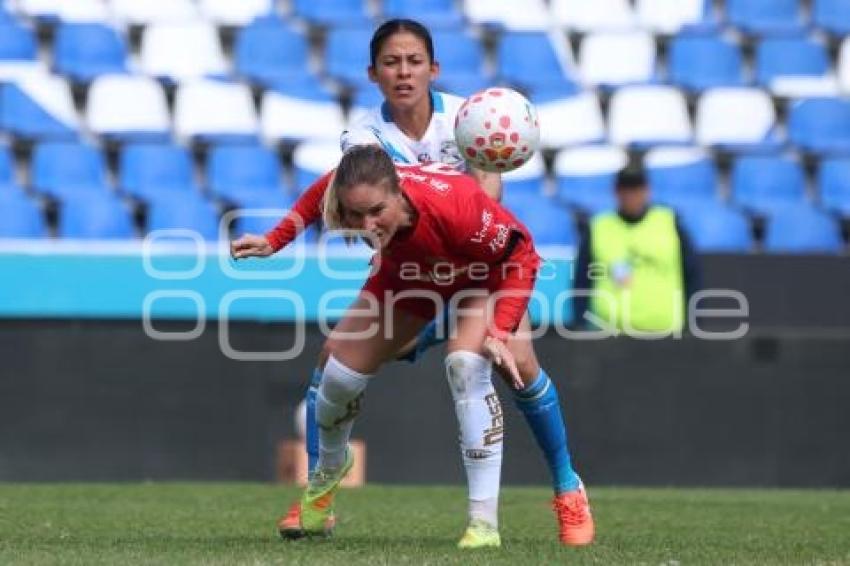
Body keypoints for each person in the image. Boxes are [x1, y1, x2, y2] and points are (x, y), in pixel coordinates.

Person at [233, 19, 594, 547]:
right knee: (334, 361)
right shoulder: (365, 138)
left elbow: (492, 212)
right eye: (391, 62)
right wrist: (276, 237)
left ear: (433, 68)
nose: (403, 72)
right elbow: (335, 189)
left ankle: (562, 491)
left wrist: (499, 311)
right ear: (374, 73)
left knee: (501, 366)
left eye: (414, 61)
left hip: (478, 263)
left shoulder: (473, 118)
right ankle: (319, 495)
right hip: (410, 269)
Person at [573, 166, 702, 333]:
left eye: (636, 190)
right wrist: (581, 323)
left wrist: (693, 323)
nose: (631, 196)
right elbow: (582, 280)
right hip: (611, 332)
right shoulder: (599, 227)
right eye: (626, 190)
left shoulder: (669, 222)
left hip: (665, 331)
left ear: (647, 191)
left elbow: (692, 275)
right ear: (616, 193)